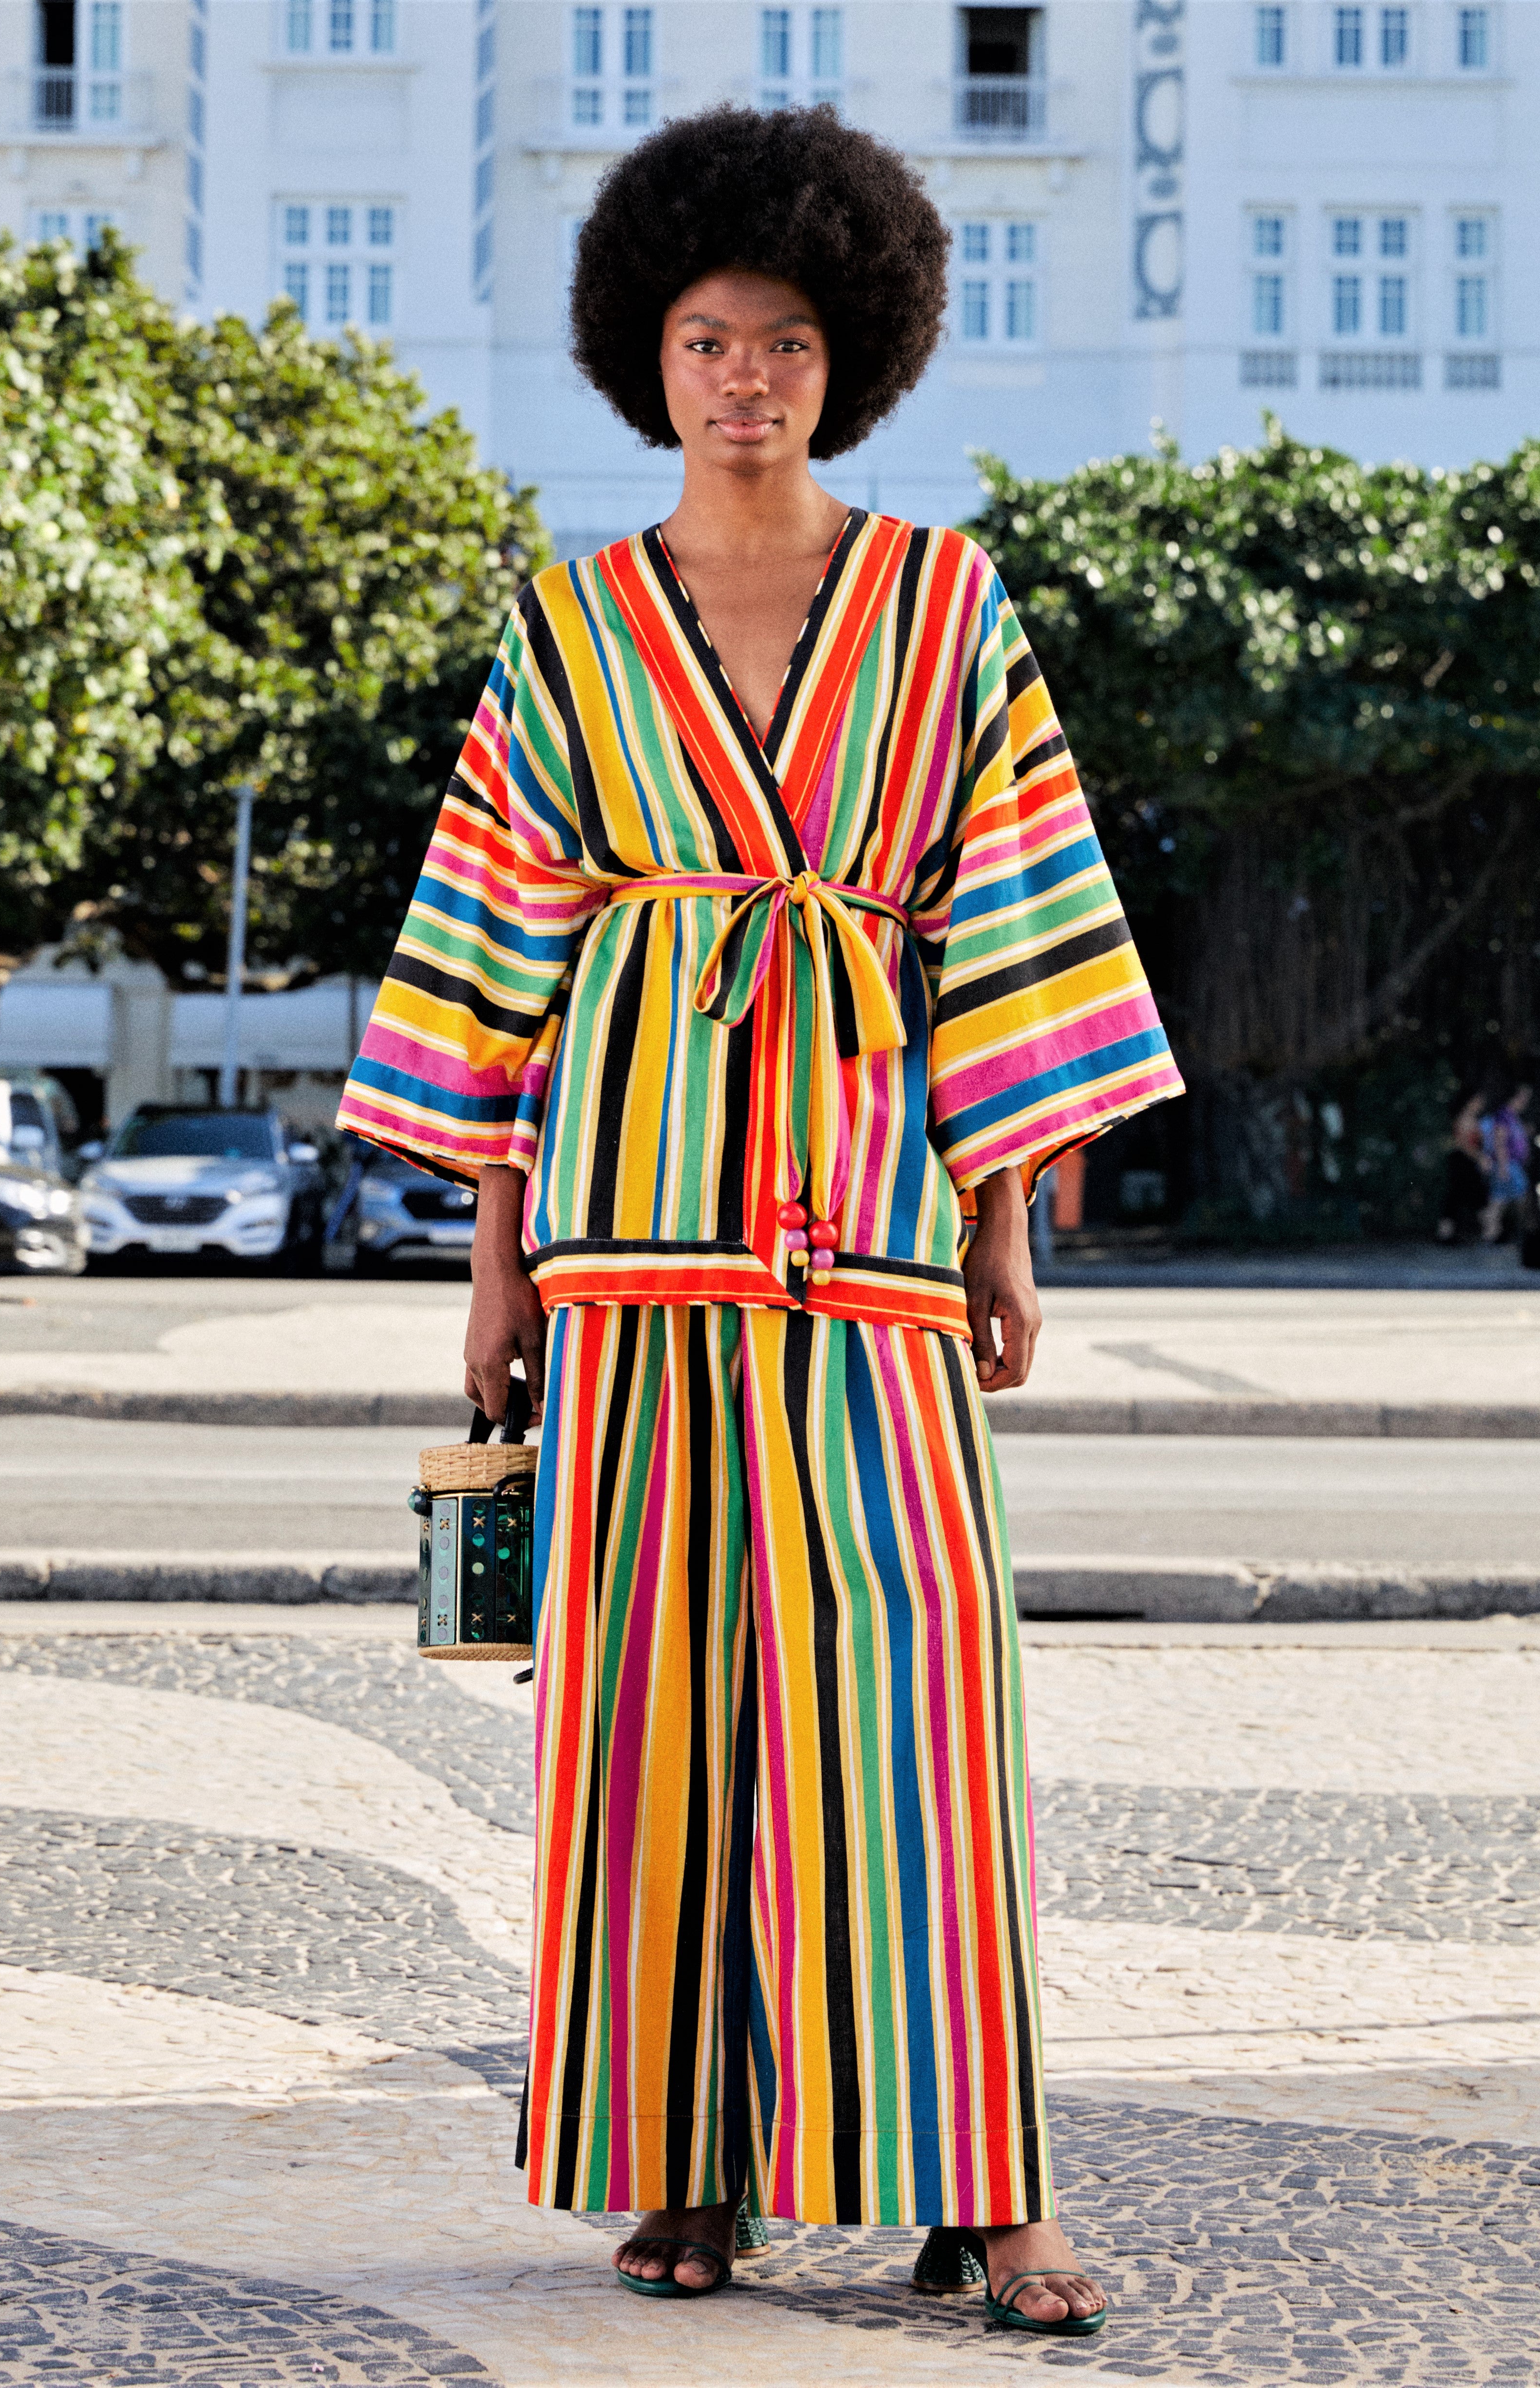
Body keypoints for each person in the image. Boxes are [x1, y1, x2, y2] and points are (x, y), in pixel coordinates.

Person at [338, 105, 1182, 2339]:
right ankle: (688, 2164)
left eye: (784, 340)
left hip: (875, 1240)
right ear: (649, 353)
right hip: (621, 1247)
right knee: (650, 1718)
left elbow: (1004, 929)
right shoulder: (569, 625)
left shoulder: (945, 603)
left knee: (914, 1703)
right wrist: (492, 1264)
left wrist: (1005, 1226)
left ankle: (985, 2178)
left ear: (856, 352)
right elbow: (500, 960)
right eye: (705, 340)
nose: (742, 378)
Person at [1481, 1083, 1533, 1245]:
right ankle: (1526, 1234)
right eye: (1524, 1097)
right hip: (1508, 1165)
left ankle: (1491, 1234)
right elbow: (1500, 1141)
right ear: (1515, 1097)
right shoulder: (1504, 1115)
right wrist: (1503, 1167)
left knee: (1499, 1200)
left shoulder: (1512, 1116)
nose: (1526, 1102)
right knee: (1522, 1198)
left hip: (1510, 1164)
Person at [1437, 1091, 1488, 1243]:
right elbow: (1463, 1144)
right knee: (1462, 1197)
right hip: (1462, 1162)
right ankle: (1445, 1234)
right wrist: (1479, 1158)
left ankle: (1447, 1234)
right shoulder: (1464, 1118)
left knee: (1467, 1197)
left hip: (1467, 1162)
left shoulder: (1473, 1119)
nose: (1481, 1104)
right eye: (1478, 1101)